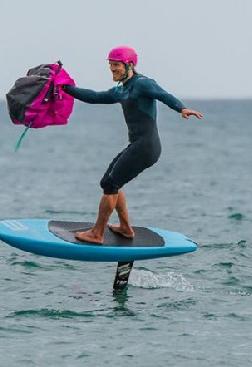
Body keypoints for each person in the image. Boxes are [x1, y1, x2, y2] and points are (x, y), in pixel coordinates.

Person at [63, 46, 203, 244]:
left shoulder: (142, 83)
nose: (113, 68)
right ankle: (125, 228)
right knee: (108, 182)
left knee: (111, 185)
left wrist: (182, 108)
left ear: (129, 65)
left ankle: (97, 233)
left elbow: (163, 95)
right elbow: (94, 97)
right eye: (111, 64)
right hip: (137, 145)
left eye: (116, 64)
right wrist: (65, 88)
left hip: (146, 147)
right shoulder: (121, 90)